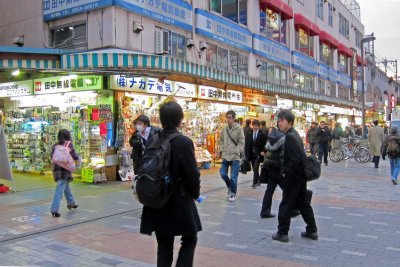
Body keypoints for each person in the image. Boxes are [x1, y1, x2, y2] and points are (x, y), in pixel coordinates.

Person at [140, 101, 201, 267]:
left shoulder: (153, 140)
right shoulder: (184, 142)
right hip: (179, 199)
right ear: (181, 119)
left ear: (161, 119)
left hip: (156, 199)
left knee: (164, 244)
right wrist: (195, 194)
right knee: (190, 237)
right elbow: (192, 174)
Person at [272, 110, 318, 243]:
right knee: (303, 204)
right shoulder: (294, 134)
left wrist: (286, 173)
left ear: (290, 122)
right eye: (279, 120)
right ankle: (312, 230)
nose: (279, 123)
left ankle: (282, 233)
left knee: (286, 204)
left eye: (282, 120)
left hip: (294, 177)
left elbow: (294, 160)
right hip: (300, 176)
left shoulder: (290, 137)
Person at [50, 129, 80, 218]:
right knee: (59, 190)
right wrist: (77, 163)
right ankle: (54, 209)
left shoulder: (56, 145)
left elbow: (52, 156)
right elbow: (74, 156)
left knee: (65, 186)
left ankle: (71, 203)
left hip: (57, 168)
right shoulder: (68, 144)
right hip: (65, 169)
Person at [219, 110, 245, 202]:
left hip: (235, 157)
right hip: (225, 155)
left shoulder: (239, 128)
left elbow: (242, 142)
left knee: (234, 177)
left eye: (230, 117)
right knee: (223, 174)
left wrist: (237, 151)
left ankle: (233, 193)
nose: (228, 119)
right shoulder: (224, 129)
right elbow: (221, 140)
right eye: (227, 117)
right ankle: (230, 186)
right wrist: (222, 149)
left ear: (234, 118)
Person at [245, 119, 267, 188]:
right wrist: (245, 154)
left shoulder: (262, 134)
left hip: (258, 154)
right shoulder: (249, 133)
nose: (255, 128)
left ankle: (254, 182)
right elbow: (247, 144)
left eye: (256, 126)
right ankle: (258, 180)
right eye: (254, 126)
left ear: (259, 126)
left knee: (255, 168)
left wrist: (263, 151)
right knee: (255, 168)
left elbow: (266, 144)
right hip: (251, 154)